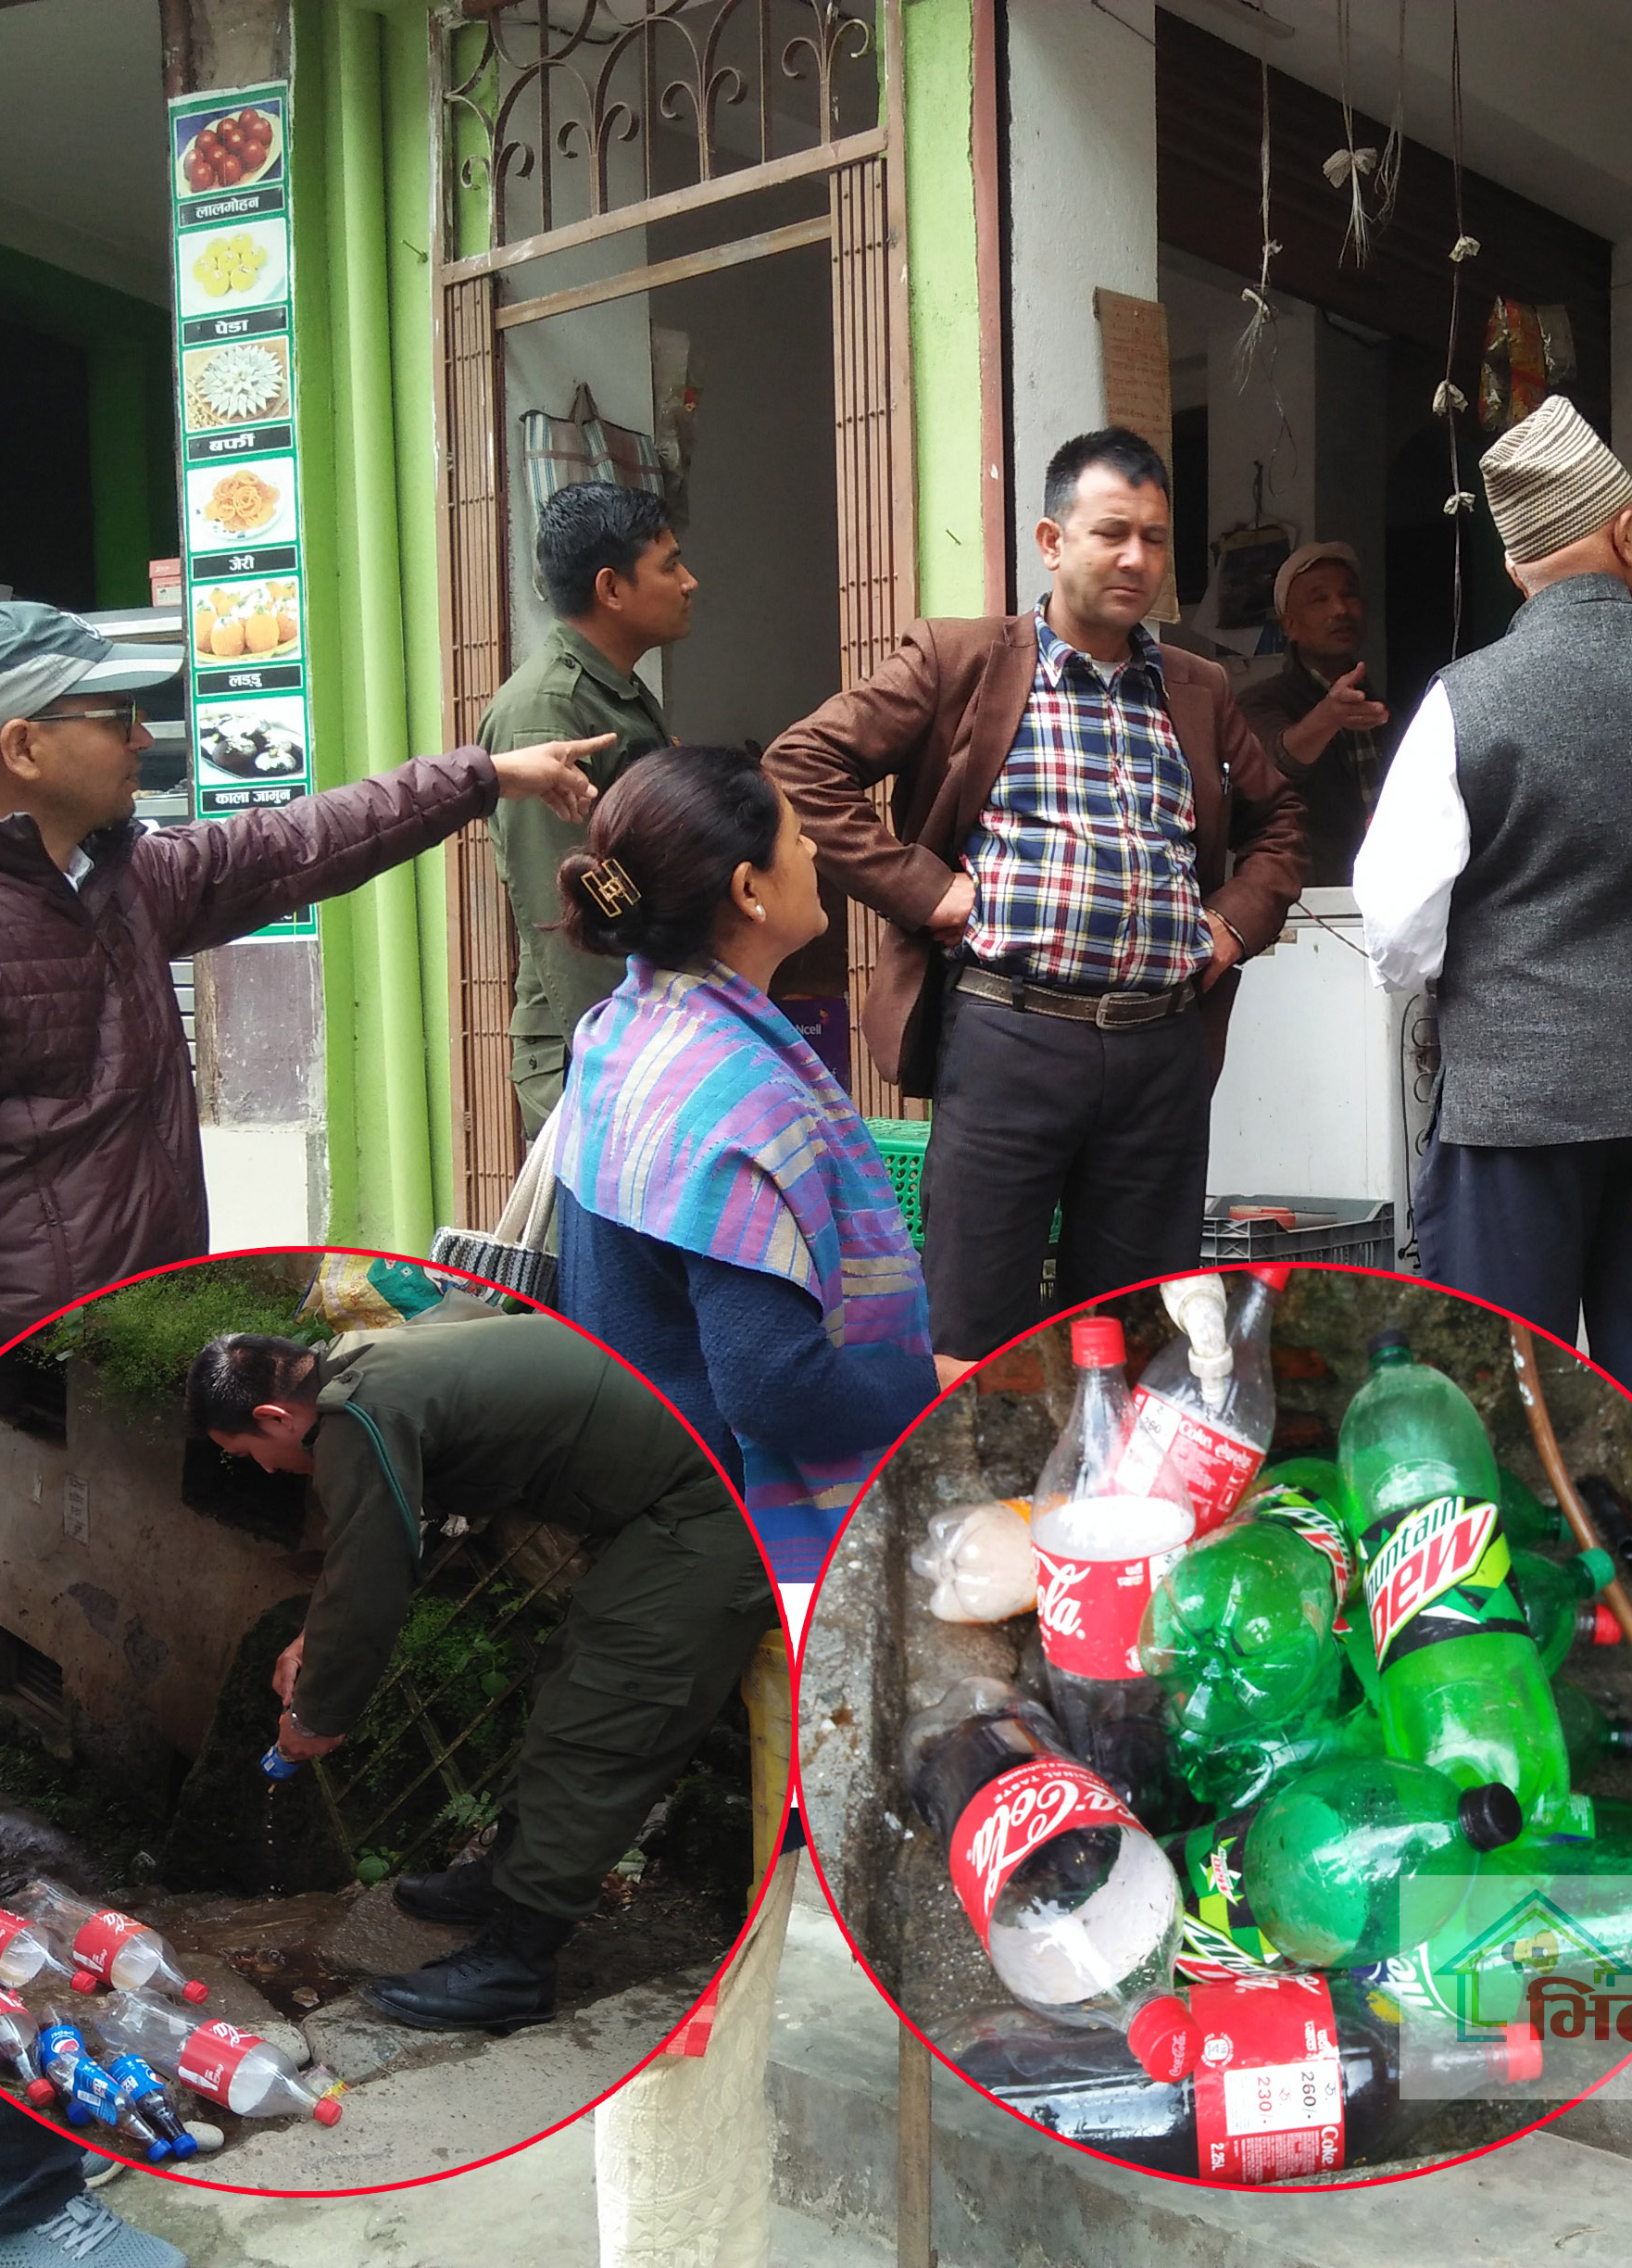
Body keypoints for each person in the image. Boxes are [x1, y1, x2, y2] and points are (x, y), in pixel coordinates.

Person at [0, 600, 597, 2268]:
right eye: (110, 712)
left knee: (28, 1813)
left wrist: (478, 773)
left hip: (118, 1415)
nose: (142, 733)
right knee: (44, 1818)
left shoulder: (104, 881)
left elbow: (295, 841)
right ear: (19, 745)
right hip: (18, 1449)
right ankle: (12, 2222)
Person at [763, 428, 1305, 1358]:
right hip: (1010, 1038)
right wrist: (926, 891)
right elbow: (803, 764)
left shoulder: (1199, 688)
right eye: (1111, 533)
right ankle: (973, 1505)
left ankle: (1109, 1502)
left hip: (1160, 1050)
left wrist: (1229, 927)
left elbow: (1281, 820)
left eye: (1155, 537)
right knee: (972, 1332)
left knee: (1138, 1332)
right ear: (1053, 542)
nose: (1136, 557)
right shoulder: (961, 660)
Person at [1353, 394, 1632, 1484]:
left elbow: (1396, 928)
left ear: (1517, 566)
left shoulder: (1466, 699)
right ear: (1629, 530)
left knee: (1500, 1400)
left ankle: (1523, 1633)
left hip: (1515, 1118)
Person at [195, 1314, 775, 2033]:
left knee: (604, 1722)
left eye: (248, 1451)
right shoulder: (367, 1359)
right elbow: (372, 1541)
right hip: (667, 1497)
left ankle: (517, 1966)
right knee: (567, 1687)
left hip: (712, 1512)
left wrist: (313, 1719)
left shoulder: (355, 1420)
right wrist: (313, 1636)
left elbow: (371, 1579)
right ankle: (506, 1877)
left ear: (275, 1415)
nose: (263, 1469)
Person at [546, 742, 958, 1596]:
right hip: (716, 1530)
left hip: (633, 1485)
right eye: (798, 836)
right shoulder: (735, 1095)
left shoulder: (621, 1030)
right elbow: (773, 1384)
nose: (812, 853)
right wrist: (926, 1384)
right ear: (748, 890)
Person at [484, 481, 697, 1133]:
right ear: (611, 589)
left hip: (640, 1029)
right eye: (668, 566)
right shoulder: (547, 710)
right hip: (592, 1049)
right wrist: (625, 1055)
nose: (689, 582)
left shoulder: (618, 691)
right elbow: (568, 913)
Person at [1234, 540, 1391, 886]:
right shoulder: (1260, 701)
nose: (1340, 610)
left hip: (1387, 890)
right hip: (1304, 902)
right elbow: (1275, 763)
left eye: (1349, 595)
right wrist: (1329, 717)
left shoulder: (1382, 703)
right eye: (1319, 599)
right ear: (1289, 626)